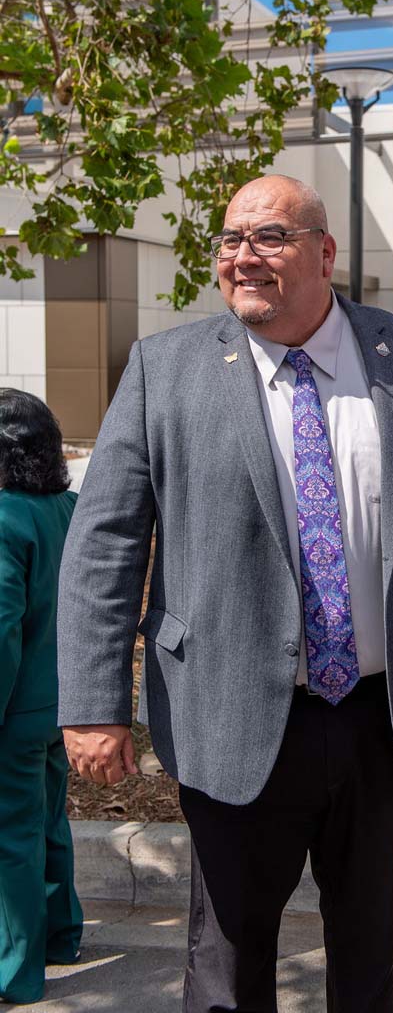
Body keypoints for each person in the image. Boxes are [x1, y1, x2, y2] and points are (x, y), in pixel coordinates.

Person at [57, 175, 393, 1013]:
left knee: (369, 941)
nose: (244, 258)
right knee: (228, 958)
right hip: (227, 708)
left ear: (323, 251)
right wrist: (94, 703)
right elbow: (105, 543)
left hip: (381, 721)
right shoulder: (165, 370)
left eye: (268, 237)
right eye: (231, 241)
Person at [0, 389, 83, 1005]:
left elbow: (1, 630)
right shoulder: (67, 506)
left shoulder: (4, 519)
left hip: (15, 711)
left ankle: (14, 973)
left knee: (10, 839)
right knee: (50, 822)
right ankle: (61, 935)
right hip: (64, 705)